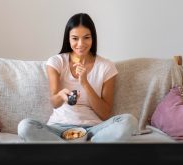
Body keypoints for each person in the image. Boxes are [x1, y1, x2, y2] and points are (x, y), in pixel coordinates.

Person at [18, 13, 137, 142]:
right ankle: (83, 150)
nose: (80, 44)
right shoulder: (56, 62)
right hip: (59, 128)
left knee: (129, 121)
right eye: (75, 38)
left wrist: (85, 83)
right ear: (68, 39)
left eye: (86, 37)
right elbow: (54, 102)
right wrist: (62, 95)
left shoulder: (106, 67)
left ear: (93, 38)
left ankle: (71, 150)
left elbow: (105, 114)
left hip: (93, 130)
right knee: (25, 126)